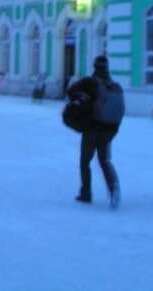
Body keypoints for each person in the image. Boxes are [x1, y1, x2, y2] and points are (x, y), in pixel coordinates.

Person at [66, 55, 122, 208]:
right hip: (109, 129)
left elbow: (70, 91)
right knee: (104, 160)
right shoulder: (114, 86)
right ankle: (113, 186)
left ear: (95, 67)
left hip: (92, 128)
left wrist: (82, 100)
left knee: (85, 161)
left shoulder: (89, 82)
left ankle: (86, 193)